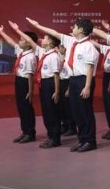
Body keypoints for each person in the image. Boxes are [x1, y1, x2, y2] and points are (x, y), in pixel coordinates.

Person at [26, 17, 99, 152]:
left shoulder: (89, 46)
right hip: (74, 80)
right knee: (77, 112)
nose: (72, 28)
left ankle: (90, 141)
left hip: (84, 80)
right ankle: (82, 139)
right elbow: (55, 33)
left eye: (75, 27)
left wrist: (87, 86)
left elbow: (89, 68)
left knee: (85, 112)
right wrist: (38, 25)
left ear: (81, 30)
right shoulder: (72, 41)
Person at [9, 22, 62, 149]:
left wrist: (57, 91)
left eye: (45, 38)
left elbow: (56, 76)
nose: (41, 40)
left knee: (52, 112)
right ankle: (50, 136)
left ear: (51, 42)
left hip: (50, 83)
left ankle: (55, 138)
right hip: (43, 83)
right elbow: (29, 41)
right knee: (46, 111)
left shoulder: (54, 56)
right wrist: (14, 30)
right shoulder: (43, 53)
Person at [0, 23, 37, 144]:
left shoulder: (30, 57)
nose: (19, 41)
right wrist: (1, 32)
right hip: (18, 80)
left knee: (27, 108)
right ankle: (24, 132)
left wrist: (30, 91)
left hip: (25, 83)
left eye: (22, 40)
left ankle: (30, 133)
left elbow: (30, 76)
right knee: (21, 107)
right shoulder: (21, 51)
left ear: (29, 43)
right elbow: (11, 41)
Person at [91, 30, 110, 141]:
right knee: (107, 104)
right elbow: (95, 44)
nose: (107, 38)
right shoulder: (107, 49)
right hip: (106, 76)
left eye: (109, 36)